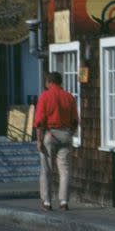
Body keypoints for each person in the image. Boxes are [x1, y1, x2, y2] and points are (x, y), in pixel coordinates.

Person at [34, 71, 79, 211]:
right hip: (65, 133)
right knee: (65, 170)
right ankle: (64, 201)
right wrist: (70, 133)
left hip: (50, 134)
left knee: (46, 169)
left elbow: (39, 121)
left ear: (49, 82)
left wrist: (39, 140)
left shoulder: (45, 96)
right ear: (60, 82)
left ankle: (47, 202)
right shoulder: (69, 97)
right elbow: (75, 120)